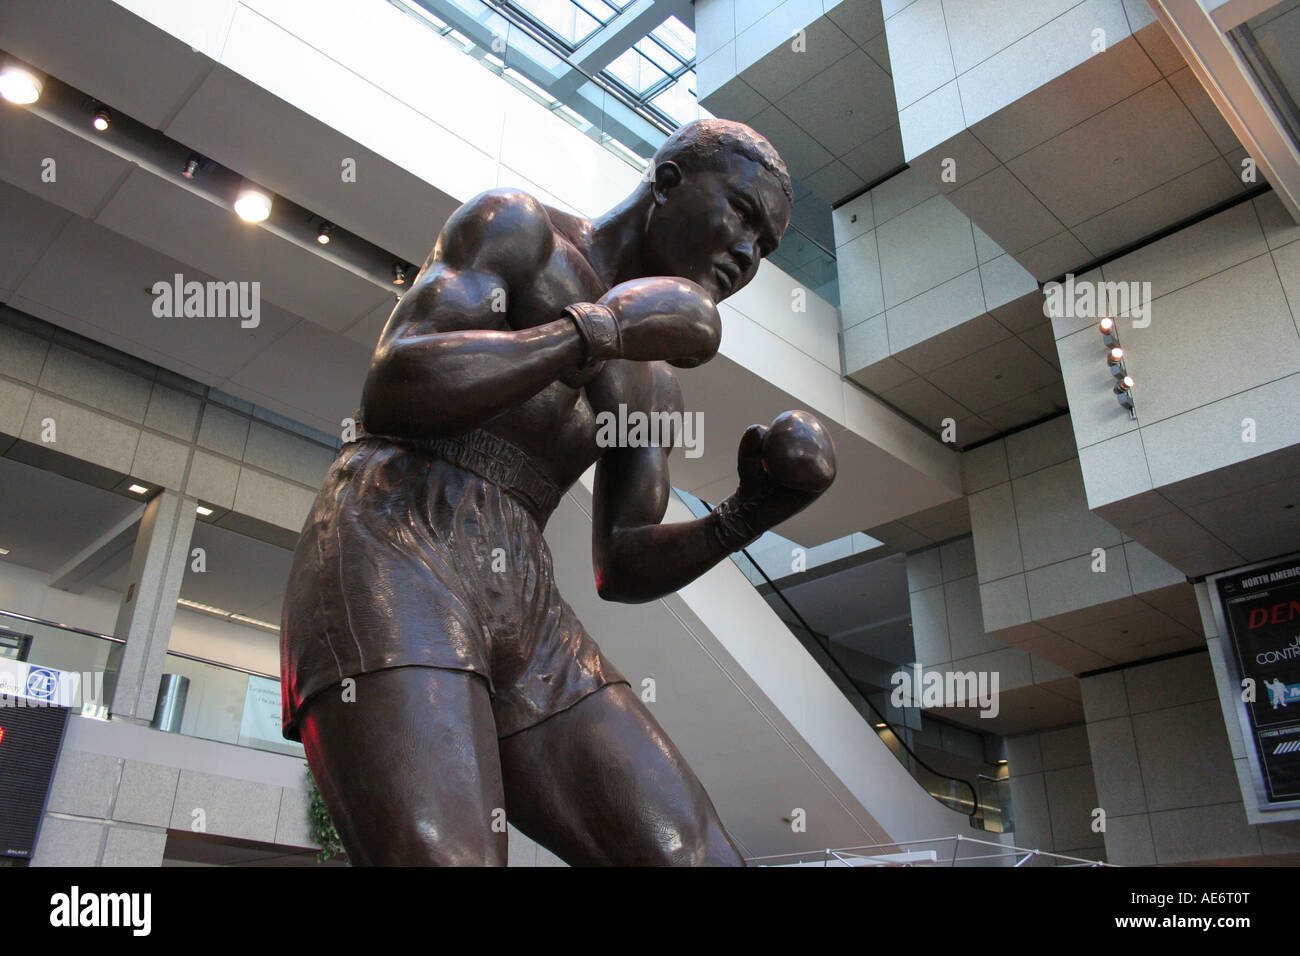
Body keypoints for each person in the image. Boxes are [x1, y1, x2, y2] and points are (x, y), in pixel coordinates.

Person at [281, 119, 836, 865]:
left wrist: (747, 515)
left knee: (697, 858)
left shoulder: (652, 380)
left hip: (521, 589)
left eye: (765, 245)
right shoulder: (518, 231)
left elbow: (624, 563)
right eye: (741, 213)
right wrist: (596, 331)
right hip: (394, 539)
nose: (747, 253)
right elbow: (397, 385)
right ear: (666, 183)